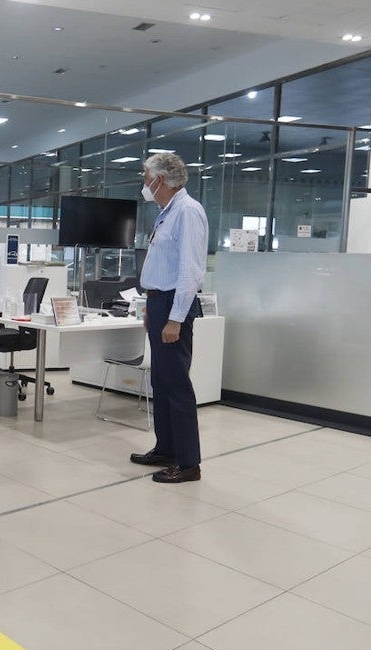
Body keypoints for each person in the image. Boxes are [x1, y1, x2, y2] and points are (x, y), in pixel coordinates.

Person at [129, 152, 208, 483]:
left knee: (176, 385)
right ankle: (166, 448)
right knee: (160, 381)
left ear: (160, 179)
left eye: (145, 175)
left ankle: (189, 463)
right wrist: (151, 307)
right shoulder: (167, 213)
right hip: (160, 303)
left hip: (176, 305)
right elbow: (161, 269)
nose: (144, 181)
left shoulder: (188, 211)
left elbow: (189, 271)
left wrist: (175, 319)